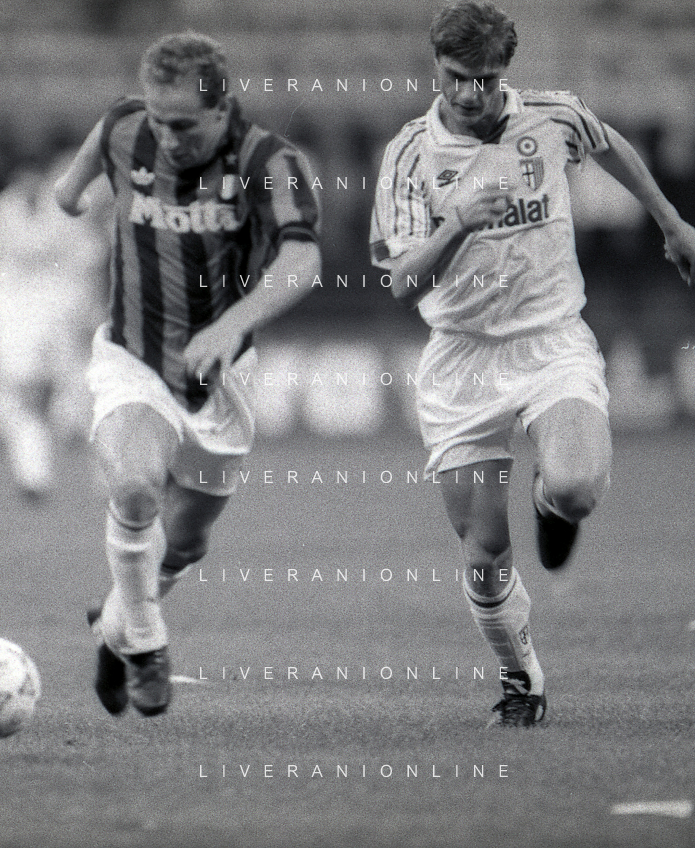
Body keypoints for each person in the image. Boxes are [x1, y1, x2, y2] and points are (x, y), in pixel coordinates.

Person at [369, 1, 695, 727]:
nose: (469, 94)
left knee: (576, 487)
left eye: (485, 79)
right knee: (484, 554)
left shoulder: (552, 116)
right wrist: (457, 224)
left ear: (503, 73)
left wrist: (673, 224)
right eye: (455, 77)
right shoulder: (409, 156)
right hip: (461, 360)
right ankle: (522, 678)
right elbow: (401, 283)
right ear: (437, 69)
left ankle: (552, 503)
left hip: (550, 340)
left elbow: (608, 144)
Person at [55, 31, 322, 716]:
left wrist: (231, 325)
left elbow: (302, 259)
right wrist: (73, 199)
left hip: (221, 377)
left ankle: (115, 630)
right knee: (135, 487)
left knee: (186, 541)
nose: (166, 138)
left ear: (221, 109)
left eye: (183, 125)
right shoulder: (123, 127)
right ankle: (147, 645)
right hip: (133, 358)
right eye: (158, 120)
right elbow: (69, 190)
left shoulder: (269, 161)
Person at [0, 152, 110, 500]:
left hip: (63, 314)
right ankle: (33, 476)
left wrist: (94, 312)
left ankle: (108, 474)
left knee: (85, 395)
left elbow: (92, 262)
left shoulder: (70, 209)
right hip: (11, 317)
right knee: (24, 394)